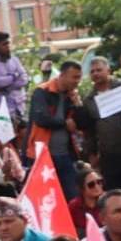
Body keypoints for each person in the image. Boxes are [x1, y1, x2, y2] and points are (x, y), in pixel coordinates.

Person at [29, 60, 85, 199]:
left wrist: (78, 104)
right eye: (74, 77)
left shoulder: (71, 96)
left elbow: (82, 123)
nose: (77, 81)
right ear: (63, 75)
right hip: (44, 156)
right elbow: (41, 118)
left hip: (66, 155)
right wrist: (64, 123)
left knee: (73, 197)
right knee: (48, 198)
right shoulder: (42, 91)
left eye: (79, 77)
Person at [81, 56, 121, 192]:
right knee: (117, 190)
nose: (96, 73)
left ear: (108, 70)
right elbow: (90, 130)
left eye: (99, 70)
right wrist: (92, 153)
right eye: (92, 71)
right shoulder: (89, 99)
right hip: (110, 153)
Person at [0, 31, 30, 139]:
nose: (8, 47)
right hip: (2, 109)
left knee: (22, 140)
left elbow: (24, 79)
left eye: (8, 43)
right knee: (4, 141)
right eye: (4, 44)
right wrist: (13, 77)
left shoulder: (14, 60)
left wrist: (6, 84)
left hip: (19, 108)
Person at [68, 164, 105, 236]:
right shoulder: (73, 206)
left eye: (99, 182)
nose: (97, 186)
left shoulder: (109, 201)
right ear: (82, 188)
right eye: (91, 184)